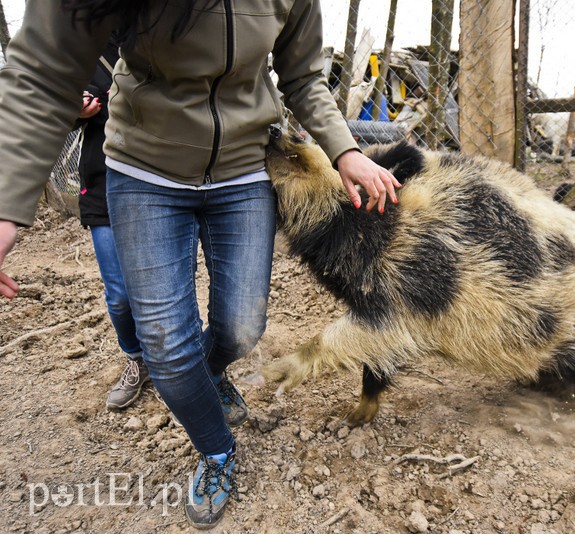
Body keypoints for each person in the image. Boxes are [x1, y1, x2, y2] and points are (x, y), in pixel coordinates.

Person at [0, 1, 401, 529]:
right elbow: (42, 74)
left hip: (243, 169)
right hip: (144, 170)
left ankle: (208, 374)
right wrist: (6, 204)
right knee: (167, 346)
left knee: (242, 327)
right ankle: (217, 450)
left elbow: (303, 75)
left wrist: (345, 150)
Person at [75, 38, 151, 411]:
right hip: (102, 186)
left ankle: (183, 366)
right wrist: (78, 110)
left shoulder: (158, 39)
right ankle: (137, 358)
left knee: (167, 289)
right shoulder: (84, 51)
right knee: (119, 294)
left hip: (157, 185)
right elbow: (51, 111)